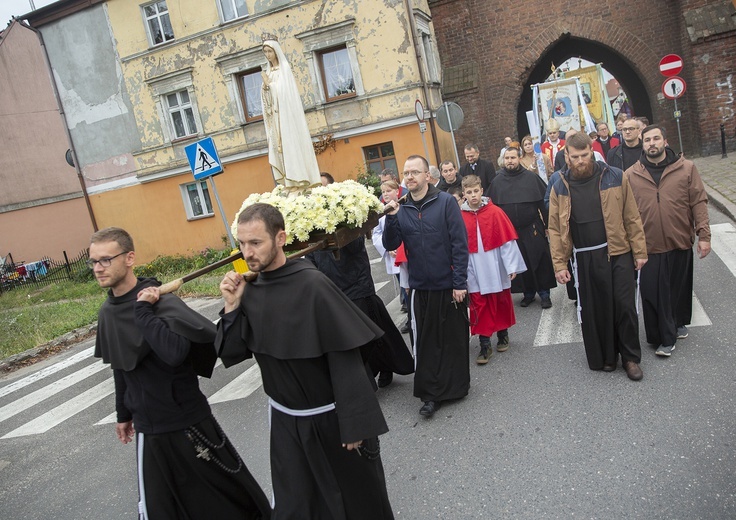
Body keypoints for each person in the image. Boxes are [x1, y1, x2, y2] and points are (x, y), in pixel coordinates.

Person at [216, 204, 394, 519]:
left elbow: (345, 356)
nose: (247, 252)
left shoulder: (312, 285)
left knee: (355, 504)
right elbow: (231, 353)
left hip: (331, 422)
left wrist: (354, 424)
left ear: (280, 237)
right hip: (285, 423)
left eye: (255, 243)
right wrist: (231, 307)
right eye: (241, 244)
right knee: (297, 506)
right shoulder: (250, 289)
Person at [90, 227, 270, 519]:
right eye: (94, 262)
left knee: (225, 505)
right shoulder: (107, 313)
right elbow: (121, 365)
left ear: (129, 258)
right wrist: (123, 413)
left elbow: (174, 354)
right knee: (162, 509)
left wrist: (143, 313)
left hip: (188, 424)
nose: (98, 268)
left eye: (105, 260)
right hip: (150, 432)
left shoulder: (162, 303)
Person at [548, 132, 647, 381]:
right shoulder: (559, 184)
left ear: (591, 151)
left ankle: (631, 358)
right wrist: (559, 263)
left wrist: (640, 251)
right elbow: (555, 228)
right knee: (597, 309)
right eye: (575, 156)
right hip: (584, 257)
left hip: (617, 250)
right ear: (566, 156)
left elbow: (631, 215)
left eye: (584, 155)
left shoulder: (614, 175)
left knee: (624, 306)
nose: (580, 161)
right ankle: (607, 356)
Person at [383, 155, 469, 418]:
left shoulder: (444, 202)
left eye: (415, 172)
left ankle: (455, 388)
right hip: (420, 287)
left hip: (448, 284)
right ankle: (430, 395)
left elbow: (459, 243)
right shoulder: (402, 206)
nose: (410, 177)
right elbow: (389, 243)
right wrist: (392, 217)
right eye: (406, 173)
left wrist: (459, 282)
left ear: (427, 177)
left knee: (452, 339)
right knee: (426, 343)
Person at [626, 124, 711, 357]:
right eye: (647, 140)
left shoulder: (686, 169)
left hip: (679, 239)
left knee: (677, 289)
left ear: (665, 141)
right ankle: (665, 337)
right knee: (653, 293)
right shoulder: (631, 174)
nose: (651, 143)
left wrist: (704, 235)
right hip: (648, 246)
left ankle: (674, 324)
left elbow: (698, 202)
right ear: (642, 145)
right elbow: (626, 212)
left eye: (656, 138)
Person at [307, 234, 414, 388]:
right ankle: (366, 379)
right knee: (351, 339)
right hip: (333, 288)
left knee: (371, 334)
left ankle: (383, 368)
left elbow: (355, 243)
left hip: (357, 286)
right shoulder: (313, 228)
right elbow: (311, 255)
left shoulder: (346, 220)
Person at [460, 175, 526, 363]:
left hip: (495, 265)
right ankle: (484, 344)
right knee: (479, 303)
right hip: (473, 267)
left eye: (476, 191)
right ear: (464, 194)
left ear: (482, 191)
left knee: (500, 300)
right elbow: (457, 246)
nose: (473, 196)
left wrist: (511, 265)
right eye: (469, 192)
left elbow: (506, 242)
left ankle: (503, 334)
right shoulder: (459, 217)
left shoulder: (495, 212)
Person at [488, 146, 556, 309]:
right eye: (507, 158)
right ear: (503, 160)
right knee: (519, 262)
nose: (510, 161)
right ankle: (528, 293)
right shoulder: (497, 181)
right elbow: (492, 209)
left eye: (513, 158)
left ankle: (544, 293)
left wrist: (548, 226)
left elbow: (543, 203)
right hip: (510, 231)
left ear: (519, 158)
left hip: (532, 227)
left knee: (539, 258)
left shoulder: (531, 178)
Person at [261, 35, 321, 187]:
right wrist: (265, 87)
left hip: (286, 116)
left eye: (270, 51)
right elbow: (266, 98)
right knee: (279, 149)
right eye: (265, 52)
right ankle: (289, 182)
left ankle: (299, 178)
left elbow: (286, 93)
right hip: (275, 117)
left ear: (276, 51)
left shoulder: (284, 69)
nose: (268, 55)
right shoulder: (269, 72)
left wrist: (270, 86)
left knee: (290, 144)